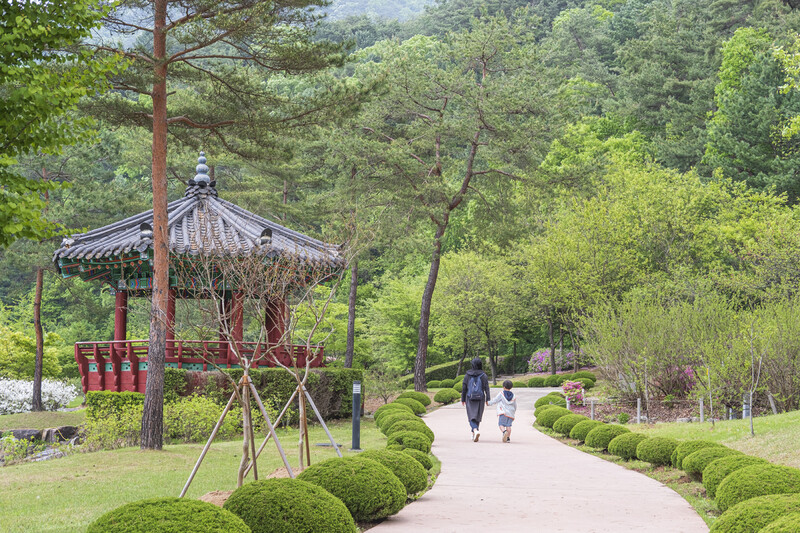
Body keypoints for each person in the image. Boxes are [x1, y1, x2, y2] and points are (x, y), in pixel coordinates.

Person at [461, 357, 490, 442]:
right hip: (480, 398)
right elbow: (486, 388)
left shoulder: (468, 374)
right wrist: (488, 398)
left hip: (469, 397)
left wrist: (463, 399)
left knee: (471, 416)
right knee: (477, 416)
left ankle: (474, 430)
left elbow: (464, 387)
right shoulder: (483, 375)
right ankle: (475, 431)